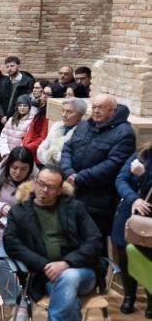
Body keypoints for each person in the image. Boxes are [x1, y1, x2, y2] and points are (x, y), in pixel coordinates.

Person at [3, 166, 103, 321]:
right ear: (35, 182)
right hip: (46, 276)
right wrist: (46, 264)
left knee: (68, 278)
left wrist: (67, 263)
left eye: (50, 187)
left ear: (60, 190)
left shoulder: (75, 208)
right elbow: (12, 244)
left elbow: (94, 240)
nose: (43, 190)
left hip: (82, 272)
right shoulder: (20, 211)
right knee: (71, 307)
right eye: (40, 183)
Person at [61, 94, 135, 243]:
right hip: (72, 193)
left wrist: (78, 178)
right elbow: (67, 149)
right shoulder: (84, 125)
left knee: (90, 244)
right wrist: (69, 173)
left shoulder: (124, 132)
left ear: (113, 110)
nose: (95, 111)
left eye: (101, 107)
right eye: (94, 107)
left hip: (98, 202)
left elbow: (113, 164)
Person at [0, 146, 35, 321]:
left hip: (22, 233)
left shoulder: (35, 183)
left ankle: (23, 303)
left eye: (23, 169)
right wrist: (0, 207)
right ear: (9, 165)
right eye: (15, 168)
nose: (18, 173)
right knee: (1, 261)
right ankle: (17, 303)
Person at [112, 140, 152, 317]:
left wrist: (143, 175)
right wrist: (133, 198)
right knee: (125, 255)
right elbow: (121, 179)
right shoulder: (143, 153)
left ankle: (151, 301)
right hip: (130, 212)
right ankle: (129, 296)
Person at [38, 97, 86, 167]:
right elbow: (42, 148)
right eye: (63, 110)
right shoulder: (56, 126)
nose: (64, 115)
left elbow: (73, 158)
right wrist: (48, 160)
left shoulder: (83, 132)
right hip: (48, 168)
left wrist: (52, 155)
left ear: (80, 114)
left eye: (69, 112)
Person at [0, 94, 34, 159]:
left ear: (29, 107)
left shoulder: (31, 122)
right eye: (20, 105)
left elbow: (27, 141)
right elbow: (3, 136)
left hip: (20, 156)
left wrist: (19, 155)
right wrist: (5, 153)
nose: (22, 107)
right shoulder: (11, 120)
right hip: (7, 155)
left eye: (25, 105)